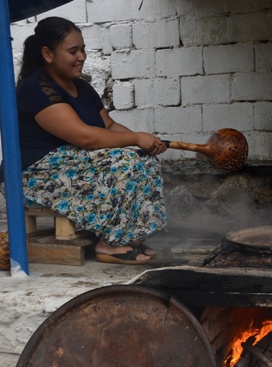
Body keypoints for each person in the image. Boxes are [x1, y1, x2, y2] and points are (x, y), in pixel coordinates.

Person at [12, 16, 168, 265]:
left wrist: (143, 143)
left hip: (74, 166)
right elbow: (84, 137)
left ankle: (130, 236)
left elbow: (109, 126)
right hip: (37, 175)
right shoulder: (36, 89)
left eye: (82, 49)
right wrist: (135, 138)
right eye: (73, 51)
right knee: (122, 162)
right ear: (47, 54)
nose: (82, 56)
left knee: (142, 159)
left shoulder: (82, 88)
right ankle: (109, 244)